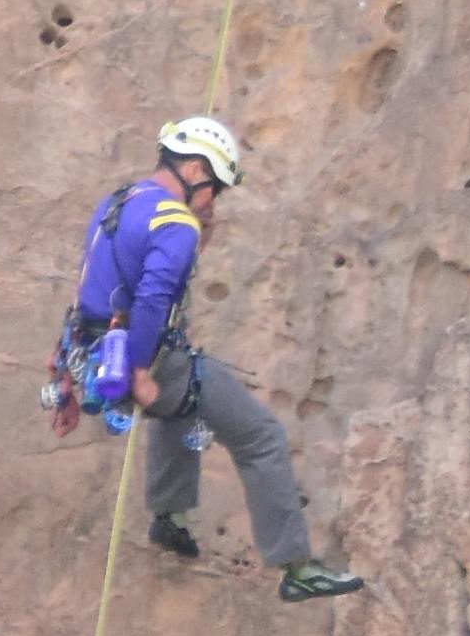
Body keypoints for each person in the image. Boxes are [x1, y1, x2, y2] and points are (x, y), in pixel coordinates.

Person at [62, 114, 362, 603]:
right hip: (140, 356)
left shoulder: (120, 200)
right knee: (259, 436)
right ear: (198, 170)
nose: (213, 200)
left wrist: (68, 368)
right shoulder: (175, 221)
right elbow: (154, 299)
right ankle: (297, 566)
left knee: (180, 409)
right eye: (216, 189)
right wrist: (139, 370)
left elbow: (102, 277)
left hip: (91, 349)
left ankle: (171, 516)